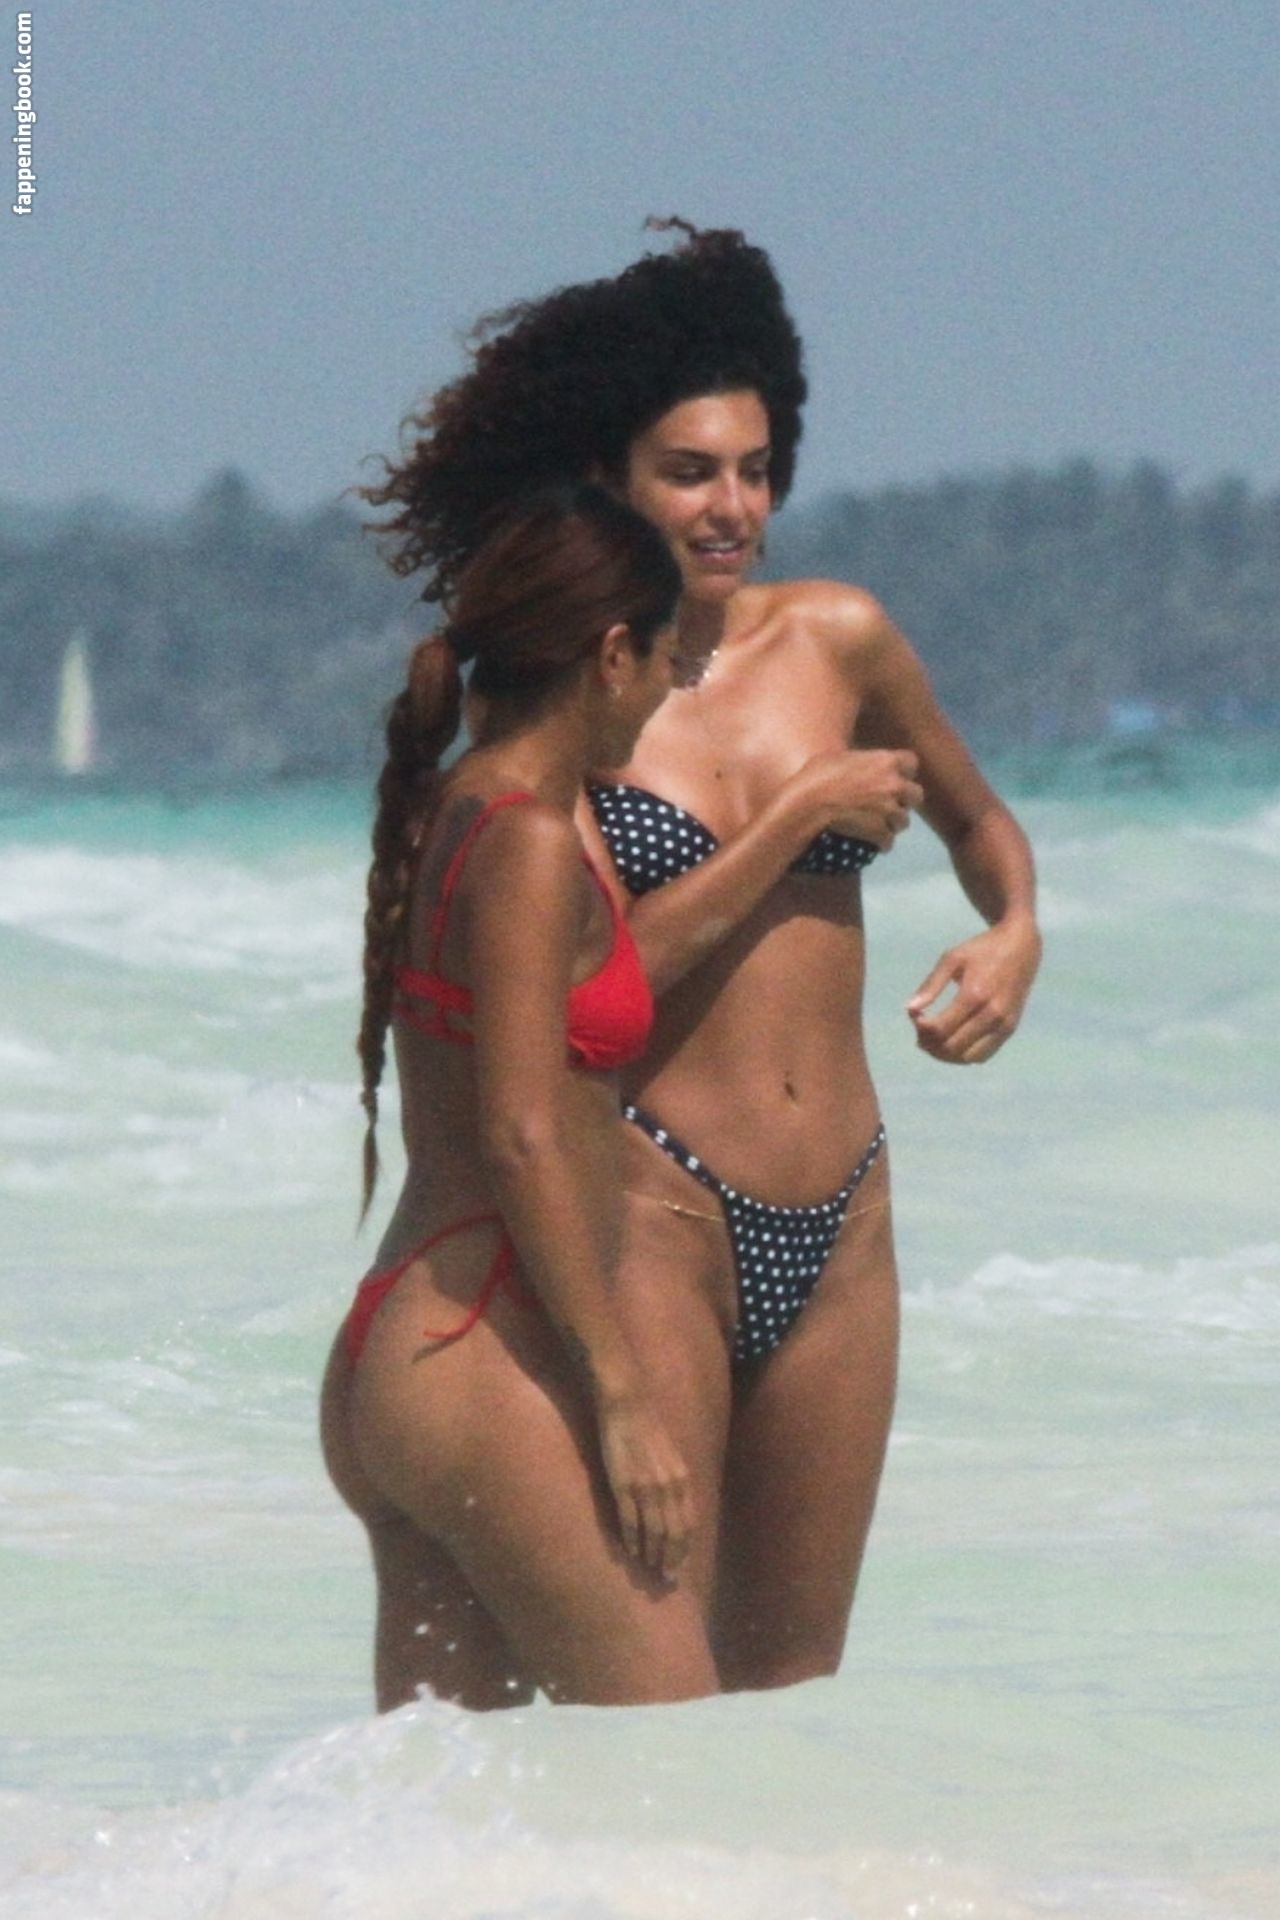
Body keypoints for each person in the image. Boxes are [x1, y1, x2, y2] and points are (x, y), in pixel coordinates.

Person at [359, 223, 1042, 1693]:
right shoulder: (583, 696)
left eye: (754, 469)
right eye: (689, 473)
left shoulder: (841, 640)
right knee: (664, 1690)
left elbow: (980, 822)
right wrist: (794, 820)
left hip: (845, 1217)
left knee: (792, 1694)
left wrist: (1013, 933)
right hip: (659, 1215)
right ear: (609, 479)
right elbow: (588, 989)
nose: (732, 507)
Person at [321, 484, 719, 1712]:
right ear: (612, 654)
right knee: (679, 1773)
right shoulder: (533, 840)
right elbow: (520, 1131)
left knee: (444, 1806)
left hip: (405, 1351)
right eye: (664, 663)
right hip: (477, 1360)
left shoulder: (456, 807)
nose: (664, 695)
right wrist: (620, 1396)